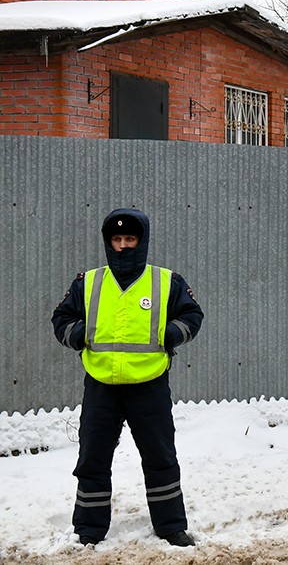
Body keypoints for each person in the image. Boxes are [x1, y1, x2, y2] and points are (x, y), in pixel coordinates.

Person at [51, 209, 203, 548]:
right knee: (92, 457)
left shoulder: (166, 281)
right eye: (117, 240)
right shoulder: (87, 282)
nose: (123, 246)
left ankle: (171, 527)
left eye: (129, 239)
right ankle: (88, 530)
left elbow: (192, 315)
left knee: (160, 457)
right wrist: (76, 335)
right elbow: (61, 318)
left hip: (149, 386)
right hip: (101, 385)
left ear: (141, 241)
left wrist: (171, 335)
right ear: (109, 243)